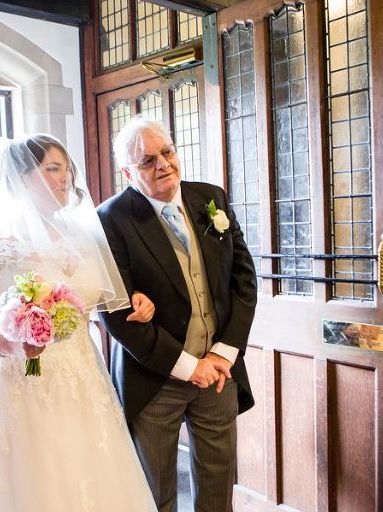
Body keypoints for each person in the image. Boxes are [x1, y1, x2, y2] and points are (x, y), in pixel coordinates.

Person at [0, 134, 158, 511]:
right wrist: (9, 344)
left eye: (67, 169)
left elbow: (98, 302)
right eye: (53, 168)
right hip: (20, 383)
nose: (66, 177)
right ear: (22, 177)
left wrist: (136, 300)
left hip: (84, 381)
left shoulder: (84, 236)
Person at [98, 117, 258, 512]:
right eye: (147, 160)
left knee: (218, 489)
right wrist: (188, 366)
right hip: (153, 379)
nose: (163, 164)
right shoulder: (110, 219)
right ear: (128, 173)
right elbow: (116, 313)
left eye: (167, 152)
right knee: (155, 494)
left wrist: (223, 353)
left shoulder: (211, 198)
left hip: (218, 374)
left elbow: (244, 280)